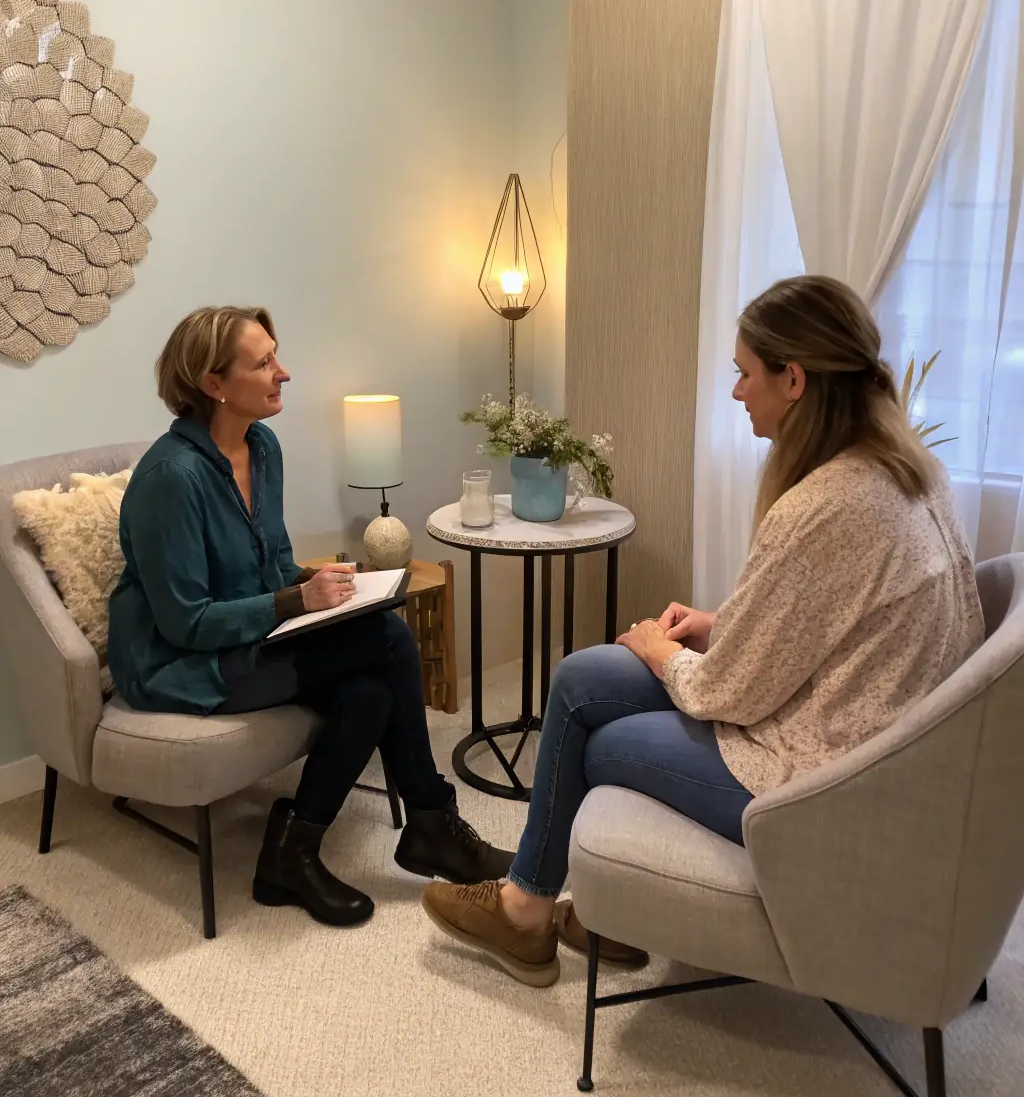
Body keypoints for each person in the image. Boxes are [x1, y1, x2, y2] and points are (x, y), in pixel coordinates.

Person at [421, 275, 985, 986]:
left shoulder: (825, 505)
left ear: (794, 378)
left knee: (604, 743)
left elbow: (729, 694)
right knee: (580, 675)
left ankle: (545, 913)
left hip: (824, 781)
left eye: (745, 373)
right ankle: (558, 907)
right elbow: (840, 623)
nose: (736, 391)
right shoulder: (913, 471)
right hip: (849, 725)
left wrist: (664, 652)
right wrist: (720, 624)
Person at [108, 305, 512, 929]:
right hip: (183, 663)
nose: (283, 373)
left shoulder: (261, 446)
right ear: (213, 385)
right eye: (263, 362)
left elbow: (274, 563)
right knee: (387, 637)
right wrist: (297, 602)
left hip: (254, 634)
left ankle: (292, 856)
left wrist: (321, 586)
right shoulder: (172, 478)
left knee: (372, 686)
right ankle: (429, 820)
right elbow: (184, 622)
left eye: (277, 355)